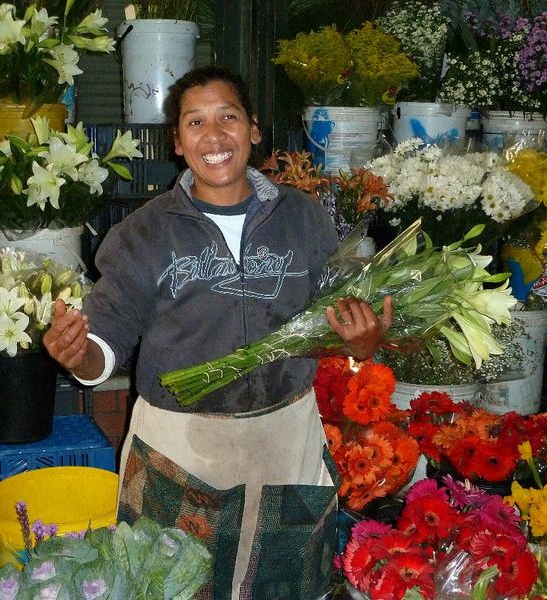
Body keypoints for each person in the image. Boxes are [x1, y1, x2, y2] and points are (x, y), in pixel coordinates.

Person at [43, 65, 393, 599]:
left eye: (227, 117)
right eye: (195, 122)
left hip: (286, 443)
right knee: (172, 588)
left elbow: (334, 319)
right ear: (178, 142)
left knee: (290, 589)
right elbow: (106, 343)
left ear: (254, 129)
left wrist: (360, 346)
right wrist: (77, 356)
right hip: (178, 454)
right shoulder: (142, 234)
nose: (214, 135)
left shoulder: (303, 219)